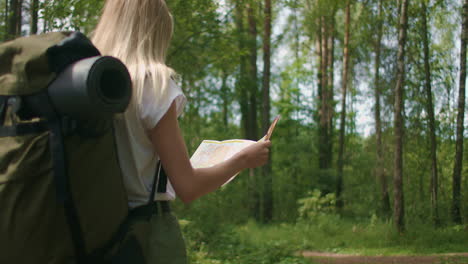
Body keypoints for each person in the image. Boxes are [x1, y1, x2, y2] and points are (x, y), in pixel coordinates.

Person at [91, 0, 272, 263]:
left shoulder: (88, 83)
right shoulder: (150, 83)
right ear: (156, 31)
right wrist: (245, 159)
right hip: (144, 236)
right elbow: (187, 187)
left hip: (93, 234)